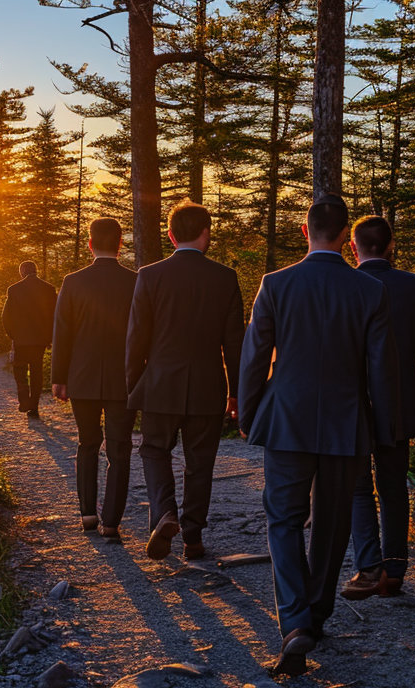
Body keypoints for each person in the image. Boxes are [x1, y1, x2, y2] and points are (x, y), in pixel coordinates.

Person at [238, 194, 397, 677]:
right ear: (347, 237)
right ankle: (317, 613)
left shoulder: (276, 284)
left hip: (286, 419)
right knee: (331, 522)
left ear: (305, 232)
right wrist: (382, 429)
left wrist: (248, 413)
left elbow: (254, 355)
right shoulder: (369, 292)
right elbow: (380, 371)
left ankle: (295, 621)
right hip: (345, 423)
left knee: (283, 520)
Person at [126, 199, 244, 562]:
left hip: (160, 384)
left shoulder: (150, 275)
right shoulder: (225, 278)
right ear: (206, 233)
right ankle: (192, 537)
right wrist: (237, 392)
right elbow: (234, 342)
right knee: (201, 461)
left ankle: (165, 514)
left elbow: (136, 338)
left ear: (170, 234)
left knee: (154, 450)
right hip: (208, 386)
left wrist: (134, 387)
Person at [341, 215, 415, 600]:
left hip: (350, 403)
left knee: (357, 488)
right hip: (400, 404)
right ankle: (396, 569)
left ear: (353, 247)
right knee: (393, 486)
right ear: (391, 246)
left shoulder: (345, 283)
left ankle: (368, 566)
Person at [51, 218, 138, 536]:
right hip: (124, 380)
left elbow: (62, 333)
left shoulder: (73, 282)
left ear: (90, 244)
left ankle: (88, 513)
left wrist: (59, 377)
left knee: (87, 443)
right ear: (120, 244)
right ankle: (112, 521)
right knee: (120, 449)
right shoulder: (135, 281)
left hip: (82, 378)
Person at [2, 260, 57, 418]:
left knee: (19, 369)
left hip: (20, 340)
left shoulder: (13, 290)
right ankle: (34, 407)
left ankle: (24, 397)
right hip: (40, 341)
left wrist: (12, 335)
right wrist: (49, 338)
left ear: (22, 272)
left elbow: (6, 317)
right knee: (36, 372)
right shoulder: (48, 289)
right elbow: (55, 316)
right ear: (36, 271)